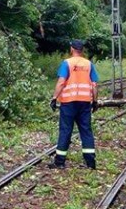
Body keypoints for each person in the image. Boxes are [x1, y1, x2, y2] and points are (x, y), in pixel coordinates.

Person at [49, 40, 99, 169]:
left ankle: (59, 162)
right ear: (82, 50)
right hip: (84, 103)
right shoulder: (89, 64)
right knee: (86, 130)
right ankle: (90, 163)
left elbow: (61, 82)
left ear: (72, 49)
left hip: (68, 103)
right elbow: (94, 85)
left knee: (65, 130)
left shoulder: (67, 63)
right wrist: (95, 101)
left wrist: (54, 98)